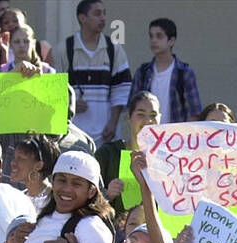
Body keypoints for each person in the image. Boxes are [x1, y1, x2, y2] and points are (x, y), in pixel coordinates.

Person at [22, 150, 114, 243]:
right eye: (62, 180)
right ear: (52, 182)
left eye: (76, 184)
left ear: (91, 191)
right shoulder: (44, 219)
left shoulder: (89, 226)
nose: (66, 189)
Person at [64, 1, 131, 145]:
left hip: (107, 135)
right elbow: (53, 90)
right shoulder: (63, 49)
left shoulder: (114, 50)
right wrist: (70, 103)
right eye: (97, 13)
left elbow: (121, 90)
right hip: (73, 136)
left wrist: (113, 123)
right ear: (82, 18)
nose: (103, 18)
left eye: (104, 14)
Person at [126, 18, 201, 126]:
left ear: (171, 41)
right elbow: (132, 108)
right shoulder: (142, 72)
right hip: (147, 135)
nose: (154, 40)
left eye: (159, 36)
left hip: (176, 138)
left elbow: (194, 113)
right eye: (151, 36)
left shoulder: (184, 73)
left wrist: (186, 137)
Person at [95, 91, 158, 214]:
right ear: (128, 117)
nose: (148, 121)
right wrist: (106, 195)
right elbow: (87, 197)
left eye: (153, 115)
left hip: (156, 231)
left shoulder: (168, 159)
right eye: (140, 114)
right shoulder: (108, 153)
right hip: (114, 230)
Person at [9, 133, 56, 213]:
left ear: (39, 165)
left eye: (21, 158)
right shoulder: (16, 199)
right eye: (14, 157)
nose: (13, 163)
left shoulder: (55, 202)